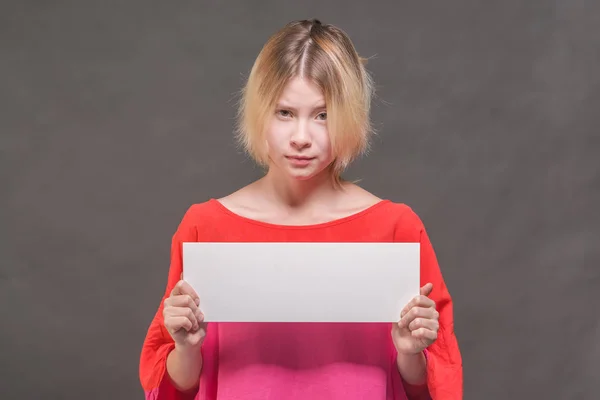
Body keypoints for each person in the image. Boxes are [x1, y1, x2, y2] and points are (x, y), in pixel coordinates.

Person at [139, 19, 463, 400]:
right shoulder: (205, 227)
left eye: (323, 115)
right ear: (260, 112)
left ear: (350, 116)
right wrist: (187, 346)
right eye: (285, 113)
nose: (301, 138)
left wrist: (410, 353)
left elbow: (432, 389)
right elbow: (176, 388)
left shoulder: (396, 229)